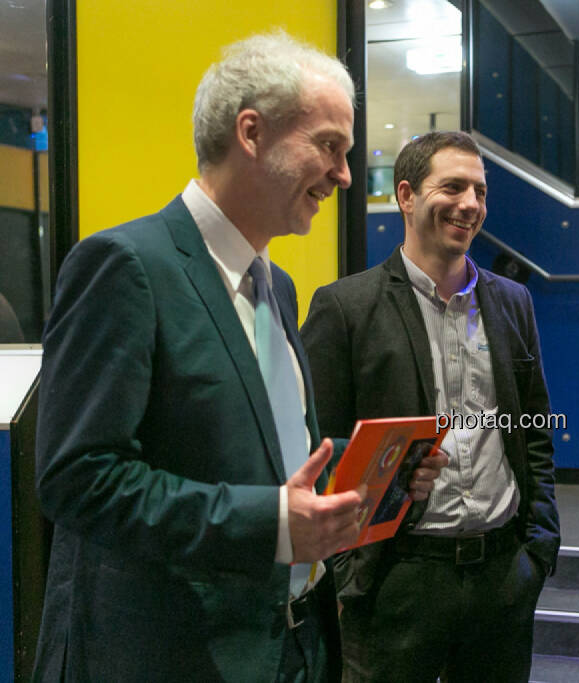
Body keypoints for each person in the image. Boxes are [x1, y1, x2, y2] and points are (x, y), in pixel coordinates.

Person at [33, 32, 443, 682]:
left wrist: (367, 473)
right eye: (329, 146)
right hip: (175, 655)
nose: (343, 174)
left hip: (296, 645)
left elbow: (259, 450)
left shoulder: (275, 285)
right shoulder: (125, 266)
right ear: (251, 133)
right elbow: (77, 478)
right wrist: (272, 523)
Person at [300, 130, 560, 683]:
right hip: (397, 578)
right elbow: (317, 448)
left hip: (502, 576)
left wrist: (537, 550)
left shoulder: (512, 303)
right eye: (454, 187)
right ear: (407, 195)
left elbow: (532, 430)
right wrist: (348, 573)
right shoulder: (345, 307)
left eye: (480, 192)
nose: (471, 204)